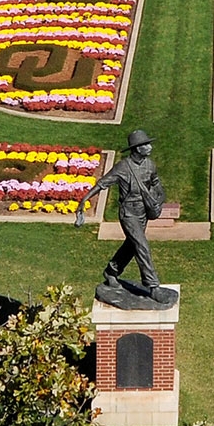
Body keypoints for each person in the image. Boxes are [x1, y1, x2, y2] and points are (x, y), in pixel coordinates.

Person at [78, 130, 174, 305]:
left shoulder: (150, 165)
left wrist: (159, 201)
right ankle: (153, 286)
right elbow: (102, 183)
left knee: (131, 246)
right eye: (145, 145)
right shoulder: (123, 167)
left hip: (143, 211)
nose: (149, 147)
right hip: (128, 213)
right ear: (136, 149)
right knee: (142, 245)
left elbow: (156, 184)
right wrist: (84, 200)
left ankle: (111, 271)